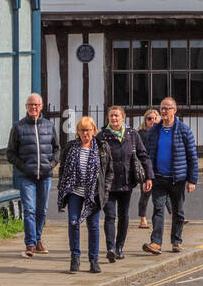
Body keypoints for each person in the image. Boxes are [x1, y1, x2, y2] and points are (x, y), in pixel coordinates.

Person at [141, 97, 198, 255]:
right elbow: (148, 156)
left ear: (175, 110)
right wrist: (148, 177)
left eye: (167, 108)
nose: (163, 111)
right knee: (158, 210)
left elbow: (192, 156)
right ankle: (156, 243)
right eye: (162, 108)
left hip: (177, 179)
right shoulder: (154, 131)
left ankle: (176, 241)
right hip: (158, 178)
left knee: (178, 211)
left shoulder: (184, 130)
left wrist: (192, 180)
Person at [56, 116, 112, 273]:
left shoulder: (102, 147)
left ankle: (94, 260)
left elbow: (109, 172)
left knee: (93, 226)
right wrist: (63, 186)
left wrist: (105, 190)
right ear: (77, 132)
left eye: (88, 130)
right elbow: (63, 170)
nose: (85, 133)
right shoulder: (71, 146)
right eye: (82, 130)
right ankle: (75, 258)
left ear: (94, 130)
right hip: (75, 192)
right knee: (73, 222)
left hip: (93, 193)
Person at [6, 93, 59, 259]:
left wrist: (51, 164)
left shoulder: (49, 126)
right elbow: (10, 153)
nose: (34, 108)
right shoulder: (19, 127)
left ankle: (38, 239)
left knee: (41, 210)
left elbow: (57, 149)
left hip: (45, 175)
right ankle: (30, 243)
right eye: (30, 105)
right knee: (29, 210)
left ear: (41, 106)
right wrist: (23, 167)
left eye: (36, 105)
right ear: (26, 107)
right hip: (27, 176)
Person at [98, 105, 153, 262]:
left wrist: (148, 177)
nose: (114, 118)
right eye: (111, 116)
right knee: (110, 216)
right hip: (108, 184)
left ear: (123, 118)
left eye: (117, 115)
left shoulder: (132, 134)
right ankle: (110, 248)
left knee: (124, 216)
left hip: (126, 183)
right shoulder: (101, 136)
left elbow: (143, 156)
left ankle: (119, 247)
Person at [136, 108, 159, 229]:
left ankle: (173, 215)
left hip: (159, 167)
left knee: (164, 195)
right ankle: (142, 219)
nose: (152, 121)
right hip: (146, 167)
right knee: (145, 193)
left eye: (155, 118)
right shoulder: (141, 134)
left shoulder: (162, 132)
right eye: (149, 119)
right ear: (145, 121)